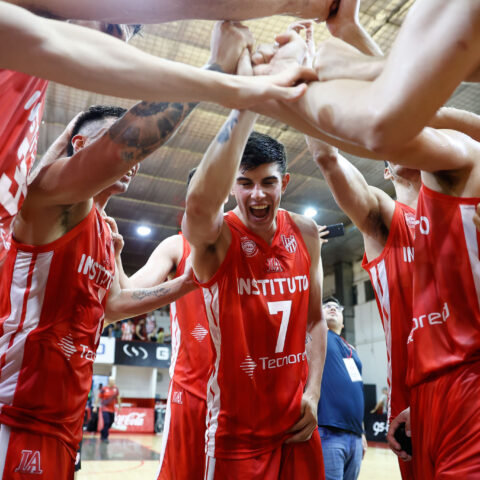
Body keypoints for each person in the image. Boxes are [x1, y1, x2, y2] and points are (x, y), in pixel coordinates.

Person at [182, 48, 327, 478]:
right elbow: (195, 205)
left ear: (285, 182)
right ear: (233, 185)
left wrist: (314, 394)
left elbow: (316, 322)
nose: (257, 196)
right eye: (244, 184)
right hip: (235, 432)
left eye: (267, 183)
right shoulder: (217, 238)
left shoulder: (304, 233)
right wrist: (245, 98)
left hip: (297, 424)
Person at [112, 167, 213, 479]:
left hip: (244, 389)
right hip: (192, 390)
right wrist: (115, 257)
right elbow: (128, 295)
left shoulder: (245, 246)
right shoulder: (176, 245)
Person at [317, 296, 367, 480]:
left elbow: (357, 391)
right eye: (326, 306)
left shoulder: (352, 350)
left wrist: (361, 433)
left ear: (343, 323)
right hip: (328, 431)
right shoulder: (315, 336)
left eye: (336, 307)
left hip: (354, 436)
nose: (332, 308)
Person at [98, 377, 121, 443]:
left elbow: (118, 397)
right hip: (104, 408)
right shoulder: (104, 389)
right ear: (109, 381)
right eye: (111, 381)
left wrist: (119, 406)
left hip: (112, 409)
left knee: (110, 423)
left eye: (113, 381)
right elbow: (99, 397)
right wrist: (95, 406)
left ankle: (102, 431)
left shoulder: (115, 388)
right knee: (106, 422)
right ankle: (105, 437)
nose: (113, 382)